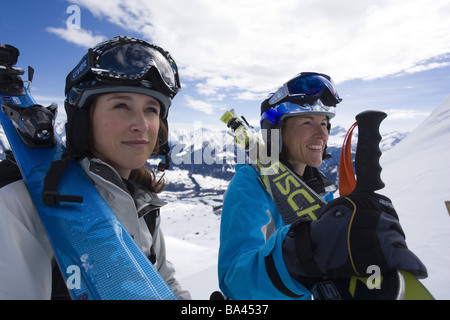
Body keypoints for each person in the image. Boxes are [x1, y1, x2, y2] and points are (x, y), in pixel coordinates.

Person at [0, 36, 191, 299]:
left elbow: (160, 280)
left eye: (151, 110)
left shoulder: (143, 203)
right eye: (121, 106)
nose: (142, 124)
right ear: (84, 118)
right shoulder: (21, 203)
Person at [218, 72, 427, 299]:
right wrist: (300, 255)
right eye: (308, 122)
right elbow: (234, 279)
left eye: (325, 123)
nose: (322, 134)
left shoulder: (321, 188)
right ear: (277, 132)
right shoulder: (250, 183)